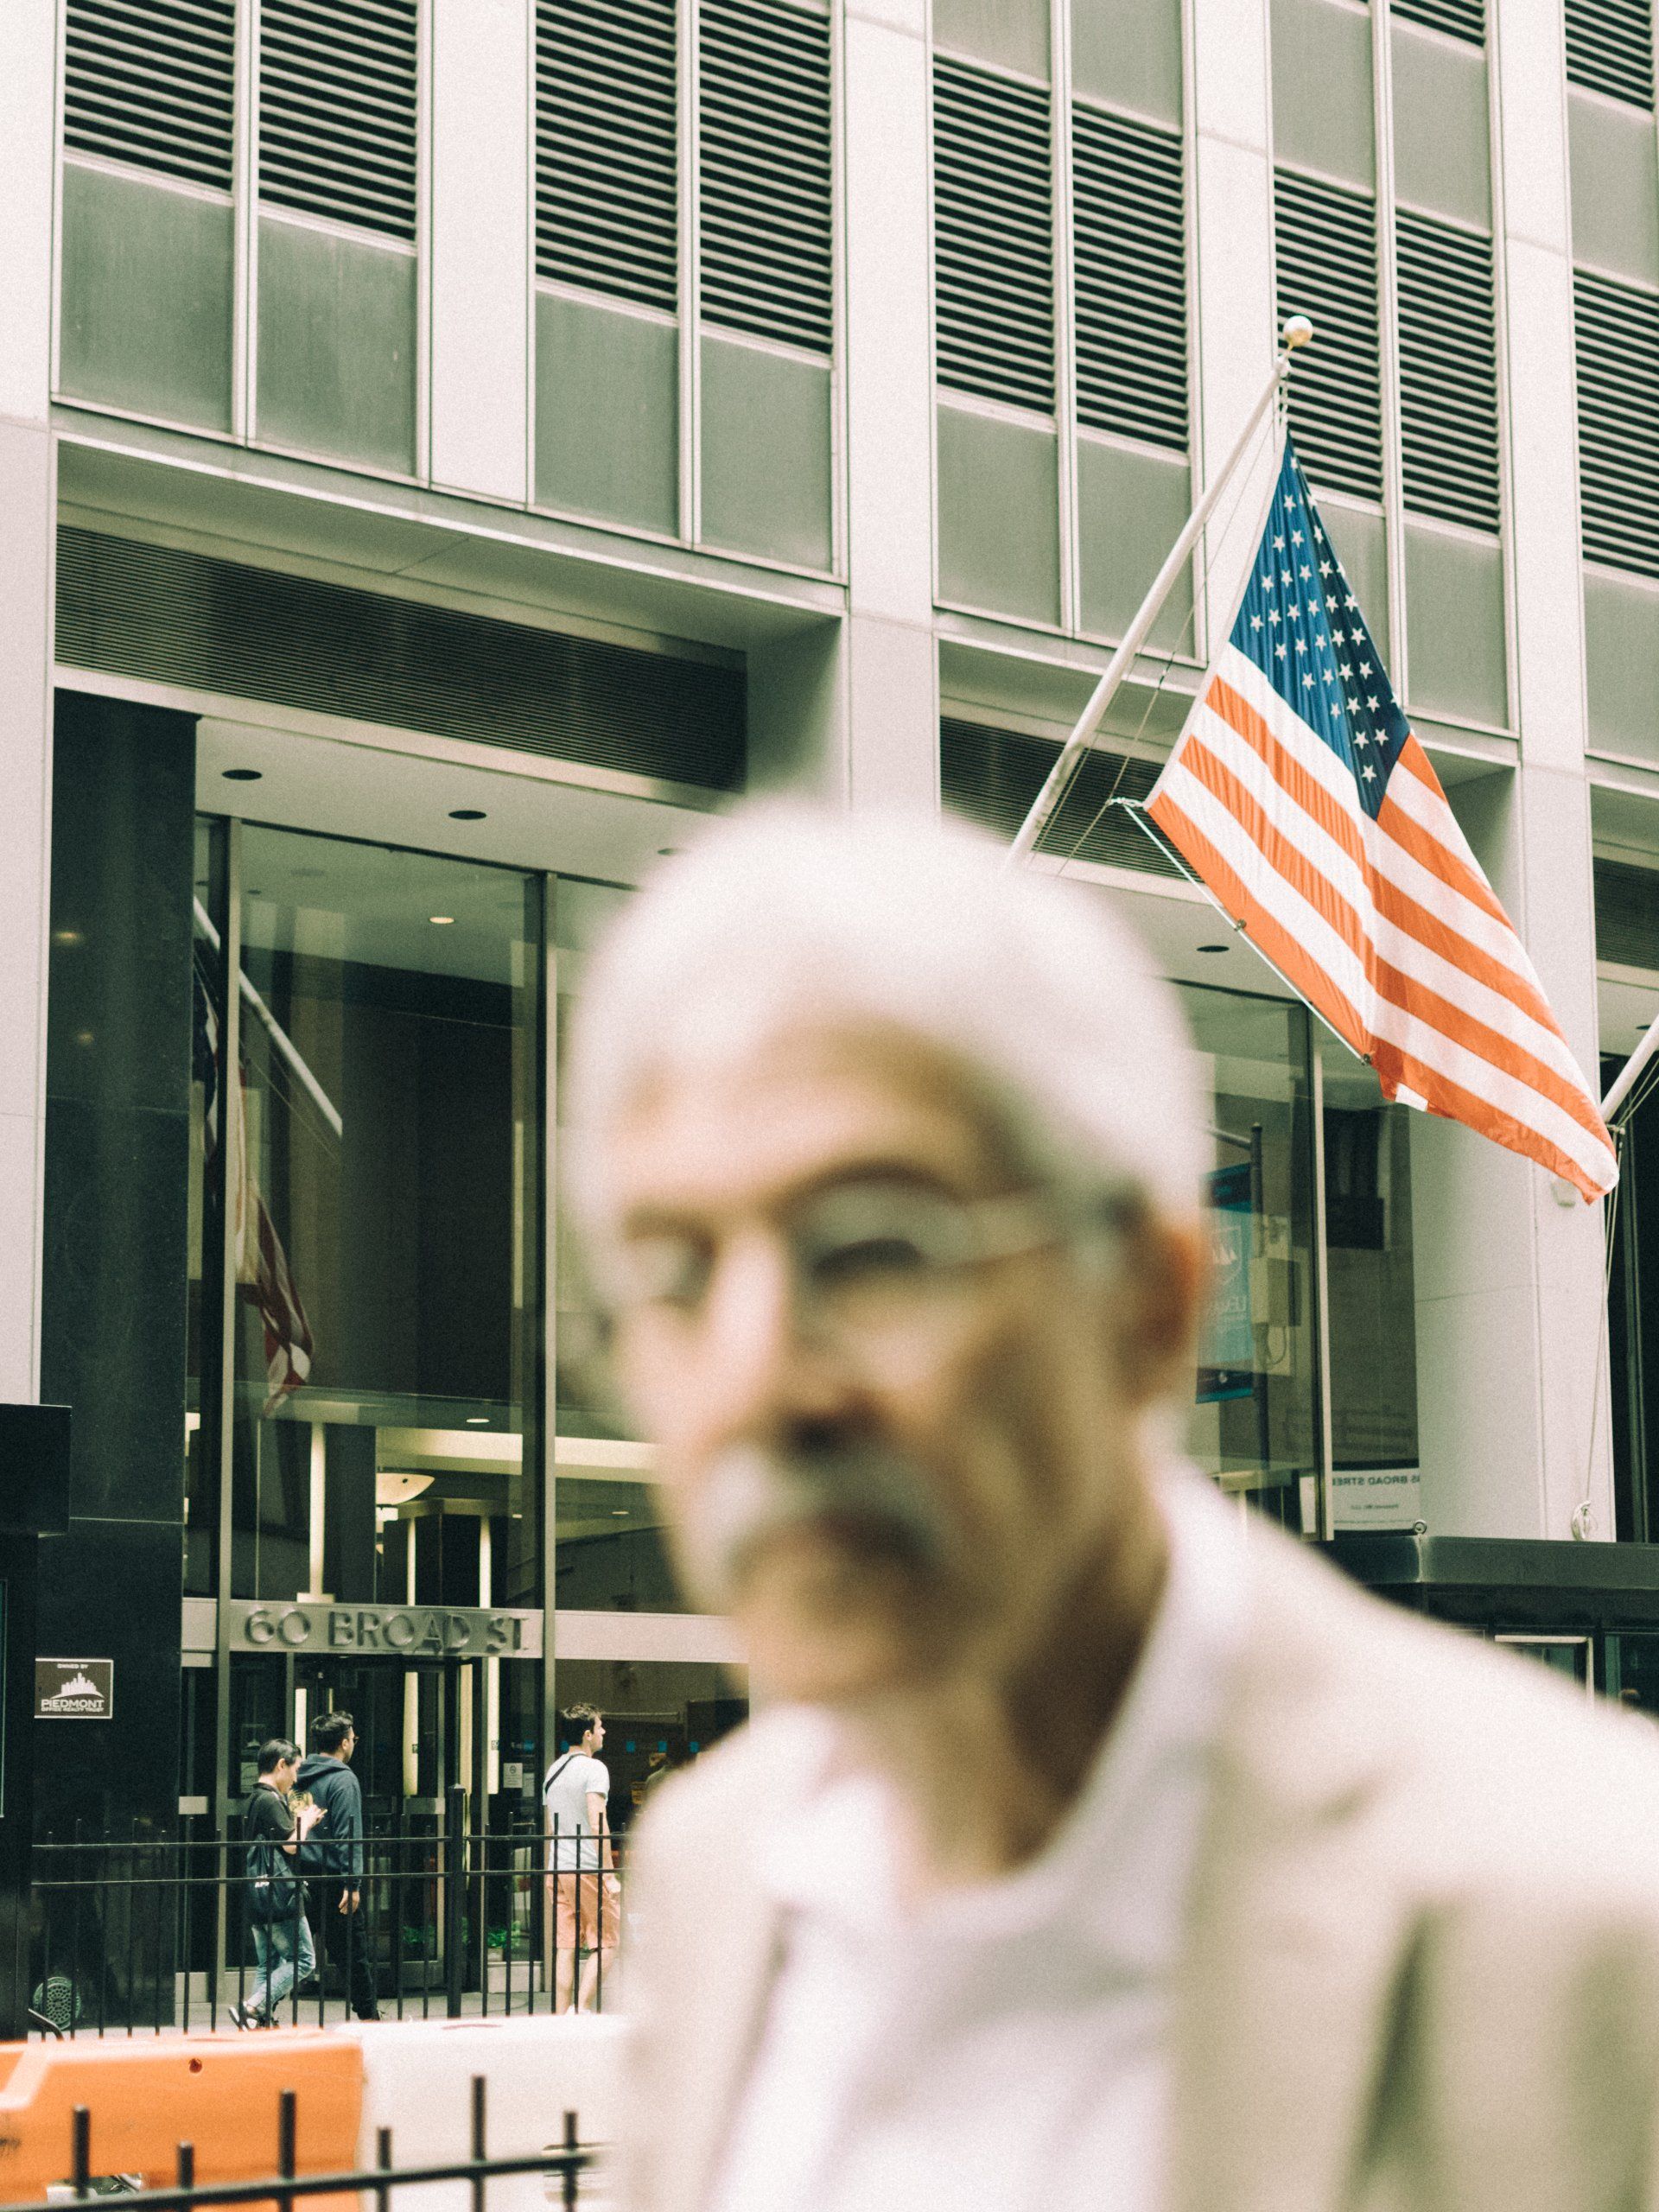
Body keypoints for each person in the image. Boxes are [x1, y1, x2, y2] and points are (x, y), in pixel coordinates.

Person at [569, 804, 1659, 2212]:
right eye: (673, 1275)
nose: (755, 1379)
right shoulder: (714, 1871)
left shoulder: (1595, 1918)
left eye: (874, 1248)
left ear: (1149, 1307)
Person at [296, 1712, 380, 2023]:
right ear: (344, 1742)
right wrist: (352, 1883)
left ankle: (261, 2008)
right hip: (333, 1879)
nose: (353, 1743)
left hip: (303, 1874)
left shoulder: (300, 1776)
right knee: (352, 1955)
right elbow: (349, 1833)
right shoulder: (344, 1779)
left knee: (294, 1952)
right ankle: (369, 2017)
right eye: (353, 1738)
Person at [232, 1738, 321, 2030]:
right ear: (281, 1765)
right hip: (280, 1898)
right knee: (304, 1960)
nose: (296, 1778)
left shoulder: (253, 1799)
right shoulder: (270, 1800)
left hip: (258, 1895)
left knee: (267, 1964)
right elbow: (292, 1846)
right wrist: (306, 1821)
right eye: (295, 1769)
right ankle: (252, 2007)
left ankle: (260, 2022)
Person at [543, 1703, 620, 2012]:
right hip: (587, 1867)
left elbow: (552, 1825)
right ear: (587, 1735)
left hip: (559, 1867)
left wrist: (551, 1866)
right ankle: (582, 2008)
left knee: (566, 1945)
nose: (603, 1732)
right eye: (600, 1727)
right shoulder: (594, 1769)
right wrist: (610, 1874)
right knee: (607, 1942)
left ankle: (561, 2014)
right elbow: (596, 1819)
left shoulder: (554, 1770)